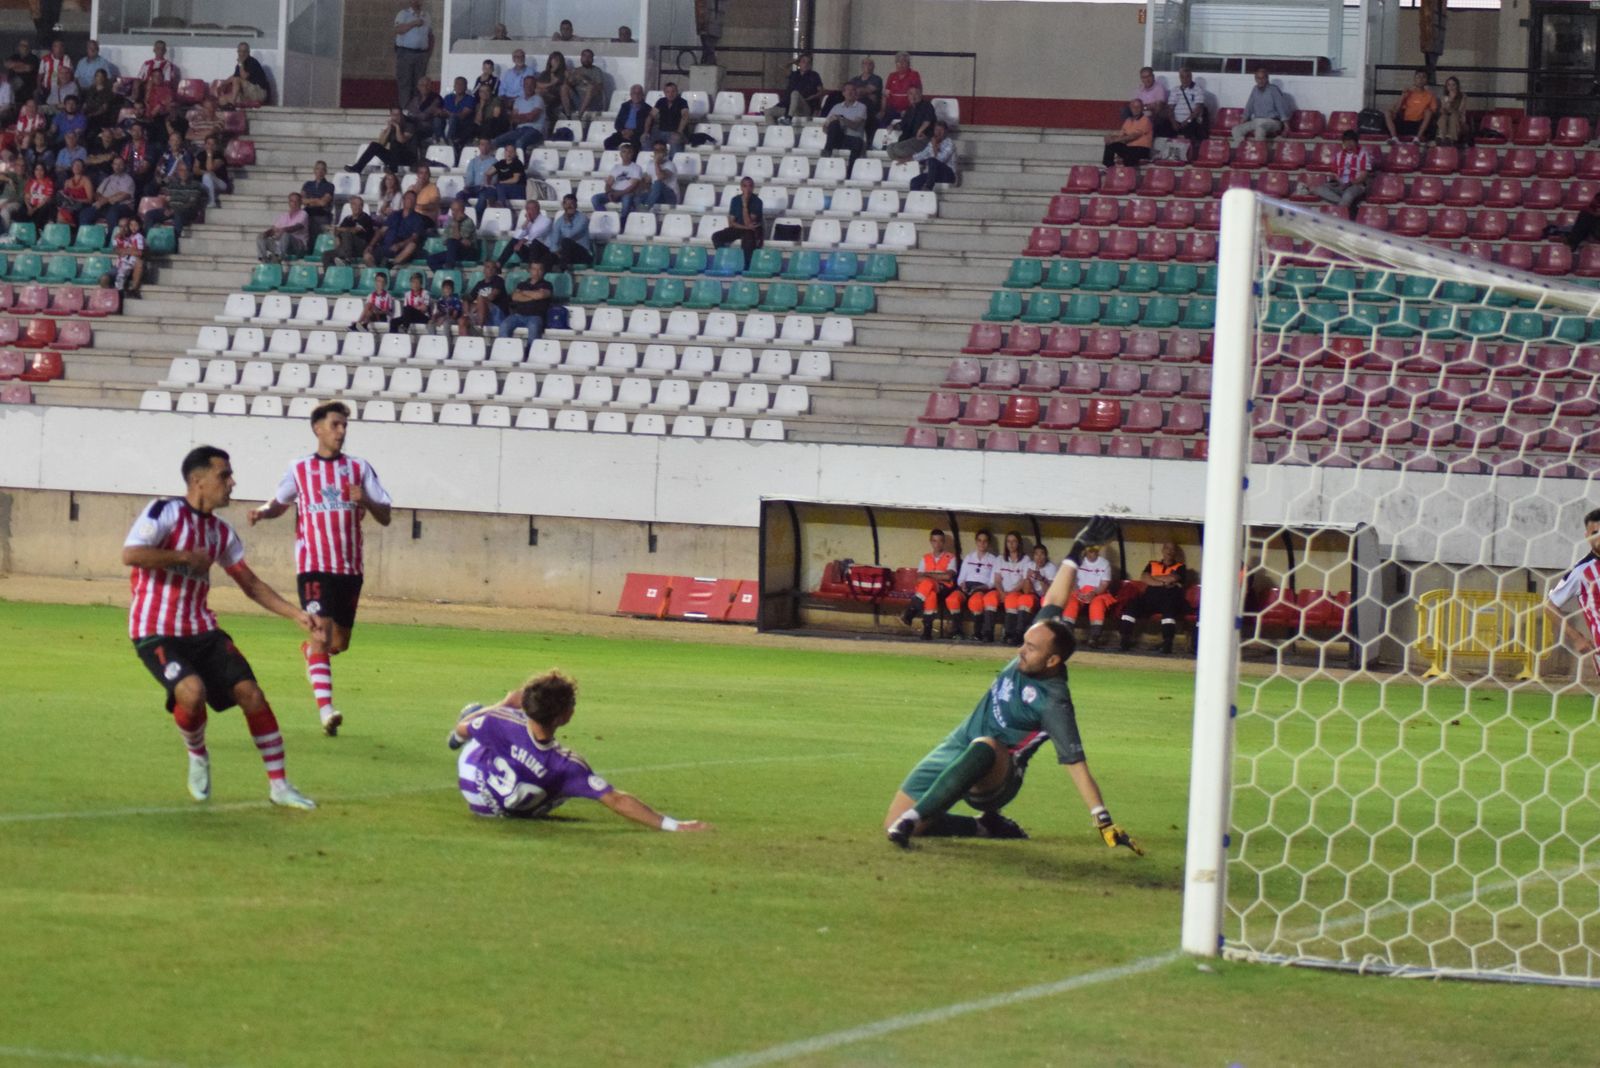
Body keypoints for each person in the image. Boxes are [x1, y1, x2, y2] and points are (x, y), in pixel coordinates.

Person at [884, 518, 1142, 851]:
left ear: (1052, 662)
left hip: (1000, 774)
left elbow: (1076, 765)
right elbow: (1056, 597)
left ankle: (913, 819)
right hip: (957, 741)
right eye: (1025, 641)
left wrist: (1102, 818)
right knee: (889, 821)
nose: (1022, 648)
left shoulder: (1054, 701)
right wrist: (1077, 549)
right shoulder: (1040, 639)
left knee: (986, 746)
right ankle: (984, 828)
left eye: (1031, 648)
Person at [124, 446, 318, 810]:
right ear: (198, 481)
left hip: (203, 629)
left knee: (252, 695)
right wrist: (183, 557)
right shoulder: (163, 512)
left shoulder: (221, 533)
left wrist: (296, 614)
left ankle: (279, 786)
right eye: (224, 475)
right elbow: (131, 554)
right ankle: (197, 753)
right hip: (155, 630)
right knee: (192, 694)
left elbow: (251, 584)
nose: (232, 482)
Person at [249, 404, 393, 737]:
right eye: (335, 425)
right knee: (321, 633)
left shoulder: (359, 468)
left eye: (344, 425)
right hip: (314, 565)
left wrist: (366, 502)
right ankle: (326, 710)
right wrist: (262, 511)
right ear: (318, 429)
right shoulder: (299, 469)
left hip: (349, 568)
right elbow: (279, 503)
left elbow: (385, 515)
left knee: (338, 643)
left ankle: (312, 653)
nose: (341, 431)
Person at [449, 670, 710, 831]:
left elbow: (461, 731)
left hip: (475, 791)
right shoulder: (568, 765)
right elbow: (616, 800)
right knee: (563, 788)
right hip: (517, 813)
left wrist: (503, 704)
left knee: (474, 718)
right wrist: (674, 826)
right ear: (565, 716)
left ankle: (482, 712)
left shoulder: (501, 721)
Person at [1543, 508, 1600, 678]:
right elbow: (1549, 606)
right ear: (1587, 536)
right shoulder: (1582, 571)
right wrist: (1576, 637)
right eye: (1595, 532)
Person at [1118, 541, 1193, 654]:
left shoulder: (1180, 567)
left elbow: (1172, 578)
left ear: (1175, 552)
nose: (1169, 551)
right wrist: (1162, 583)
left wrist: (1153, 577)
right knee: (1131, 606)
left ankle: (1167, 643)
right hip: (1150, 598)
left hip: (1169, 598)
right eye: (1167, 548)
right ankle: (1125, 640)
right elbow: (1144, 577)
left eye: (1172, 549)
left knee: (1169, 612)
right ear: (1162, 550)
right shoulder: (1152, 564)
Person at [899, 528, 959, 640]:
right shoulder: (925, 557)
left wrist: (928, 574)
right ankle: (927, 631)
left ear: (944, 542)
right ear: (931, 542)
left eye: (940, 540)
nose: (937, 544)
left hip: (944, 588)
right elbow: (919, 578)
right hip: (928, 589)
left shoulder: (951, 557)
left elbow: (948, 576)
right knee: (930, 594)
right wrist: (937, 576)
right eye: (935, 541)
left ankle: (910, 612)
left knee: (927, 583)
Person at [946, 529, 1000, 642]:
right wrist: (962, 584)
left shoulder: (993, 560)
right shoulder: (969, 557)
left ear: (988, 543)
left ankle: (977, 633)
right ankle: (957, 631)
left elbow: (992, 582)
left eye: (985, 541)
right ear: (976, 542)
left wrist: (982, 587)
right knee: (953, 599)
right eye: (979, 540)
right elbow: (961, 577)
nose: (982, 543)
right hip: (966, 586)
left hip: (982, 587)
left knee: (976, 601)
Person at [1062, 542, 1116, 648]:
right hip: (1079, 592)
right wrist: (1078, 592)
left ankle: (1094, 638)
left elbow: (1104, 583)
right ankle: (1067, 636)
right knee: (1070, 603)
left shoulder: (1104, 563)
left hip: (1097, 593)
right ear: (1086, 551)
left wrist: (1094, 593)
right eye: (1090, 551)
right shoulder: (1078, 561)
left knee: (1097, 605)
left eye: (1094, 552)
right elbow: (1072, 580)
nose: (1092, 554)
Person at [1313, 130, 1373, 219]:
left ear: (1356, 142)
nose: (1348, 144)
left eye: (1351, 142)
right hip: (1341, 184)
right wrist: (1338, 181)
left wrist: (1353, 182)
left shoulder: (1363, 154)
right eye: (1346, 142)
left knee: (1348, 195)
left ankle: (1337, 219)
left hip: (1356, 185)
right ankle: (1349, 206)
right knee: (1319, 189)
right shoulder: (1339, 155)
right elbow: (1335, 173)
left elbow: (1364, 174)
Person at [993, 531, 1036, 646]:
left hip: (1016, 591)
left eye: (1014, 541)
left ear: (1019, 543)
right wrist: (1002, 592)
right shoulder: (1000, 559)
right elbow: (997, 579)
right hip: (1002, 591)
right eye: (1008, 541)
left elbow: (1023, 580)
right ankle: (1003, 633)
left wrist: (1011, 592)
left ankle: (1015, 634)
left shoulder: (1025, 559)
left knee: (1012, 599)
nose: (1011, 544)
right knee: (989, 599)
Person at [366, 189, 429, 268]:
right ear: (403, 200)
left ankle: (391, 264)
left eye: (413, 199)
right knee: (367, 254)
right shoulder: (394, 215)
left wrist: (400, 245)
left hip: (402, 248)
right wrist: (371, 245)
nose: (410, 201)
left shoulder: (418, 219)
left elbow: (414, 237)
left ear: (415, 202)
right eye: (408, 198)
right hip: (387, 246)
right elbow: (381, 231)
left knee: (412, 245)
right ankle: (376, 272)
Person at [711, 176, 762, 269]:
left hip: (751, 231)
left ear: (753, 187)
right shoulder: (735, 200)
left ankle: (746, 266)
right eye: (745, 186)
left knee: (748, 239)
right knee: (716, 236)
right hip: (739, 228)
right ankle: (726, 259)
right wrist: (746, 227)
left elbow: (748, 223)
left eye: (750, 186)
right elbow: (731, 223)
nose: (748, 188)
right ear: (741, 187)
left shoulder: (757, 202)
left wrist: (745, 205)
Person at [346, 108, 418, 174]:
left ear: (402, 115)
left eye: (398, 115)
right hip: (394, 158)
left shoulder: (409, 125)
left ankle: (392, 170)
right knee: (374, 145)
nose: (396, 117)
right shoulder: (391, 127)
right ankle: (358, 168)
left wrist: (397, 127)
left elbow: (401, 140)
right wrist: (389, 129)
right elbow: (382, 143)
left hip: (408, 157)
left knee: (396, 143)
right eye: (393, 115)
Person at [1231, 67, 1290, 147]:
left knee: (1260, 129)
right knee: (1236, 130)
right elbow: (1249, 107)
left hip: (1273, 121)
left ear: (1267, 78)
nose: (1260, 80)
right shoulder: (1254, 89)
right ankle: (1243, 151)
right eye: (1258, 78)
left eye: (1263, 78)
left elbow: (1281, 108)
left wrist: (1286, 127)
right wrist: (1242, 122)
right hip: (1256, 120)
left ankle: (1259, 154)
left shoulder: (1273, 90)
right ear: (1255, 79)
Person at [497, 260, 554, 339]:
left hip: (536, 316)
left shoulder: (547, 285)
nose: (537, 272)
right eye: (534, 269)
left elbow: (540, 295)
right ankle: (504, 349)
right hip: (518, 315)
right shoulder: (522, 284)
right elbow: (515, 297)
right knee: (504, 325)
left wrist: (523, 293)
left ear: (543, 271)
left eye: (539, 269)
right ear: (530, 270)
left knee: (534, 327)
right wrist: (533, 295)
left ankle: (530, 350)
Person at [393, 0, 434, 109]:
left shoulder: (427, 16)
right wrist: (413, 23)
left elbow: (430, 35)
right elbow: (398, 30)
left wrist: (428, 53)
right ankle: (405, 110)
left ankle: (417, 110)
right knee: (405, 83)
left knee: (420, 84)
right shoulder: (403, 14)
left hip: (421, 54)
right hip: (406, 53)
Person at [493, 75, 547, 156]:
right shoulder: (518, 100)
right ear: (523, 85)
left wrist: (520, 117)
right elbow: (513, 119)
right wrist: (525, 117)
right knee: (497, 141)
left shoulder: (538, 99)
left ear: (534, 86)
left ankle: (520, 164)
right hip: (519, 129)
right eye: (526, 84)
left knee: (519, 142)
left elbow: (532, 117)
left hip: (535, 130)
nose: (528, 87)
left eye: (531, 84)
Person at [79, 154, 134, 229]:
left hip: (123, 206)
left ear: (124, 166)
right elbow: (98, 193)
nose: (117, 166)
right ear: (112, 165)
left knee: (112, 212)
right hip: (105, 205)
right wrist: (100, 200)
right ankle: (87, 237)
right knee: (85, 213)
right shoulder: (108, 178)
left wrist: (107, 200)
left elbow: (125, 195)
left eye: (120, 164)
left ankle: (110, 238)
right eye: (115, 164)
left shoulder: (128, 179)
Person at [767, 54, 825, 124]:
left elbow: (821, 92)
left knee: (795, 93)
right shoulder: (794, 74)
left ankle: (789, 119)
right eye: (803, 62)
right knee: (768, 112)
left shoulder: (814, 75)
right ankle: (775, 132)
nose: (806, 64)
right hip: (788, 107)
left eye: (808, 62)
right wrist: (793, 61)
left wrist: (812, 97)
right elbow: (782, 66)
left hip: (804, 107)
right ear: (799, 63)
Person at [591, 140, 643, 220]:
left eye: (629, 152)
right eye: (624, 152)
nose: (626, 154)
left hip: (627, 193)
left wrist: (618, 194)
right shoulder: (616, 167)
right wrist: (609, 193)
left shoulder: (636, 168)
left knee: (627, 200)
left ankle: (623, 222)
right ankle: (605, 217)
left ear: (632, 154)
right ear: (620, 154)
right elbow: (608, 183)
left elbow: (634, 186)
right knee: (595, 198)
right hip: (614, 192)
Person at [1161, 67, 1210, 150]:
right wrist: (1173, 122)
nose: (1185, 79)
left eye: (1187, 76)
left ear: (1191, 77)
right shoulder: (1175, 90)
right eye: (1182, 77)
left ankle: (1191, 153)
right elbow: (1170, 108)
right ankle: (1165, 152)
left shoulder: (1197, 90)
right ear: (1180, 78)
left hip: (1190, 119)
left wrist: (1187, 121)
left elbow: (1197, 110)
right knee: (1163, 127)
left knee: (1193, 129)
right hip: (1176, 120)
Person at [498, 201, 555, 269]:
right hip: (531, 252)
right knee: (514, 241)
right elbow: (516, 236)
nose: (530, 211)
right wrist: (527, 222)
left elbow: (535, 235)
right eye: (528, 209)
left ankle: (532, 268)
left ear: (538, 209)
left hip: (543, 252)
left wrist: (522, 241)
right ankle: (499, 264)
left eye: (533, 209)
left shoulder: (546, 221)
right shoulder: (529, 221)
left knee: (535, 243)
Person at [1386, 69, 1439, 142]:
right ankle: (1394, 138)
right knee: (1388, 112)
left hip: (1420, 125)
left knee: (1428, 111)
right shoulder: (1408, 93)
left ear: (1426, 80)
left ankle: (1417, 138)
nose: (1421, 79)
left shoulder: (1430, 95)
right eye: (1418, 77)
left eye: (1423, 77)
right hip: (1405, 123)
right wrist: (1402, 96)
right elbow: (1396, 110)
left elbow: (1434, 112)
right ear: (1414, 79)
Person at [821, 82, 868, 164]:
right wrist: (833, 128)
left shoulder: (861, 107)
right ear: (843, 93)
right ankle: (827, 151)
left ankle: (851, 172)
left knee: (857, 143)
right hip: (839, 138)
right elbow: (825, 127)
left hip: (854, 138)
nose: (850, 92)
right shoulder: (836, 107)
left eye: (852, 90)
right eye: (847, 90)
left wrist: (841, 118)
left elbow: (855, 126)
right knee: (834, 123)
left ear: (856, 93)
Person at [887, 84, 936, 161]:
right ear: (908, 95)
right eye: (911, 93)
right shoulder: (909, 110)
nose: (913, 96)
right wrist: (893, 126)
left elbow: (927, 121)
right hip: (910, 140)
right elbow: (902, 124)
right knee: (890, 148)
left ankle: (911, 159)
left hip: (922, 139)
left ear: (920, 94)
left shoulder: (927, 105)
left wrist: (920, 130)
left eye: (916, 93)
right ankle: (902, 163)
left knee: (897, 149)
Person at [256, 191, 309, 262]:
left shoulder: (303, 214)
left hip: (298, 246)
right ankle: (264, 259)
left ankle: (278, 257)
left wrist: (283, 230)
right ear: (289, 203)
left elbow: (297, 227)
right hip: (282, 244)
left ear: (300, 202)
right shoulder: (284, 216)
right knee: (260, 237)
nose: (294, 203)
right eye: (292, 201)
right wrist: (266, 233)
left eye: (297, 201)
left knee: (286, 234)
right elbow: (273, 230)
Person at [324, 195, 375, 266]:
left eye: (360, 205)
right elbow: (337, 232)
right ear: (351, 206)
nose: (357, 207)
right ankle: (328, 275)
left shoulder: (365, 217)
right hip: (347, 248)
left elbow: (355, 230)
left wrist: (338, 228)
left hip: (361, 247)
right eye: (355, 204)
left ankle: (347, 259)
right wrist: (336, 234)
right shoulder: (347, 219)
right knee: (327, 254)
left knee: (347, 233)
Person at [427, 196, 477, 269]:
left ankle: (449, 265)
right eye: (453, 210)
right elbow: (444, 240)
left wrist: (456, 223)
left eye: (457, 210)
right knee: (431, 259)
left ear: (463, 210)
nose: (454, 213)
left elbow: (458, 239)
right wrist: (453, 239)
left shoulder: (468, 222)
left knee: (452, 241)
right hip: (453, 252)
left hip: (468, 252)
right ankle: (445, 272)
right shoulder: (450, 221)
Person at [216, 42, 270, 108]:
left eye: (244, 52)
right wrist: (222, 83)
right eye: (240, 51)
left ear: (248, 52)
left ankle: (233, 103)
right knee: (222, 99)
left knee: (236, 79)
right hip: (247, 94)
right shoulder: (239, 65)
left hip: (258, 92)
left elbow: (244, 76)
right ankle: (230, 113)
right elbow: (234, 76)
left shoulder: (253, 62)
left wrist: (241, 64)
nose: (242, 54)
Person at [1102, 99, 1153, 168]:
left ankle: (1129, 172)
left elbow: (1133, 136)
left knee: (1129, 154)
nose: (1136, 109)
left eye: (1138, 107)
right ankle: (1109, 167)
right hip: (1129, 148)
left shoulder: (1145, 120)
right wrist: (1111, 137)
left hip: (1142, 149)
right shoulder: (1128, 120)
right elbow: (1122, 135)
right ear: (1130, 108)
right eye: (1134, 107)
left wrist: (1114, 140)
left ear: (1142, 108)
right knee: (1110, 145)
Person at [482, 142, 526, 220]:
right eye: (507, 151)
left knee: (499, 186)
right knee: (490, 189)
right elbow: (488, 173)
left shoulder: (517, 163)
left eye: (511, 151)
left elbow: (515, 179)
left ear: (515, 153)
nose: (509, 153)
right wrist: (488, 184)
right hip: (502, 189)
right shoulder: (501, 163)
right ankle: (489, 209)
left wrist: (501, 182)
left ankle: (501, 205)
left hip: (517, 189)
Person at [465, 258, 508, 335]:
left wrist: (478, 305)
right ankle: (464, 342)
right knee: (463, 317)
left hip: (498, 312)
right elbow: (469, 298)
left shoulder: (499, 281)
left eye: (493, 268)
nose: (490, 270)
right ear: (484, 270)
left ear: (496, 271)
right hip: (482, 311)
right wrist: (466, 304)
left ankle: (480, 328)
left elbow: (492, 297)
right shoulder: (479, 284)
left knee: (480, 298)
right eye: (488, 267)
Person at [550, 193, 593, 270]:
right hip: (566, 255)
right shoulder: (559, 221)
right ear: (563, 205)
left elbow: (569, 235)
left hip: (583, 255)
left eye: (572, 204)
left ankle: (562, 270)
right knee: (548, 256)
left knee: (566, 241)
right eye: (567, 204)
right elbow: (554, 241)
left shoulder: (583, 219)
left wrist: (567, 221)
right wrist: (556, 252)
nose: (569, 206)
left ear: (576, 205)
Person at [642, 81, 691, 150]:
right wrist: (646, 132)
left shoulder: (682, 102)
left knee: (675, 139)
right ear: (664, 93)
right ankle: (649, 159)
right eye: (668, 92)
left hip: (676, 131)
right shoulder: (661, 101)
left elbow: (685, 116)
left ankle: (673, 160)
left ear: (677, 92)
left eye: (673, 91)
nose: (670, 94)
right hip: (661, 131)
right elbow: (650, 116)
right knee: (645, 139)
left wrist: (679, 132)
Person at [909, 121, 956, 190]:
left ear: (946, 131)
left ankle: (928, 187)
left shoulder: (950, 143)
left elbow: (940, 159)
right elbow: (920, 155)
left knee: (932, 160)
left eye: (941, 130)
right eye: (936, 130)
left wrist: (934, 145)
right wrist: (905, 159)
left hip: (948, 175)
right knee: (915, 181)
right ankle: (917, 200)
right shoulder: (931, 143)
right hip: (934, 175)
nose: (938, 132)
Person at [605, 83, 650, 151]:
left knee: (636, 146)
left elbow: (645, 126)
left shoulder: (647, 108)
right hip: (623, 132)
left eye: (639, 93)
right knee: (608, 142)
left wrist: (632, 132)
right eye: (634, 93)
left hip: (637, 134)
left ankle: (632, 161)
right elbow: (618, 123)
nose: (636, 96)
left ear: (642, 95)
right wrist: (623, 131)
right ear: (631, 95)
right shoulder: (625, 106)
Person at [847, 58, 883, 139]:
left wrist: (858, 93)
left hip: (870, 108)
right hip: (855, 105)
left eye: (870, 64)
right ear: (861, 66)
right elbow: (849, 91)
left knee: (864, 101)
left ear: (873, 67)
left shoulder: (877, 79)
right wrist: (865, 93)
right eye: (865, 63)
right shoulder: (855, 79)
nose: (867, 66)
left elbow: (864, 91)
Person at [442, 75, 477, 157]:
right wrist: (447, 113)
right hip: (447, 122)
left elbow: (462, 115)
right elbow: (442, 112)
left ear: (466, 87)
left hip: (462, 125)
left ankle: (449, 141)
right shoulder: (448, 97)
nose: (459, 86)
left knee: (453, 118)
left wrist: (449, 113)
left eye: (461, 84)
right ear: (454, 86)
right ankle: (440, 139)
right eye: (457, 84)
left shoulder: (470, 99)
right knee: (437, 119)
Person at [882, 52, 922, 124]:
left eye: (904, 61)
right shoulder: (892, 76)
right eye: (898, 62)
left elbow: (917, 95)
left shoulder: (914, 75)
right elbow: (885, 95)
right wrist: (882, 111)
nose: (901, 64)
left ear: (908, 63)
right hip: (892, 110)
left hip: (908, 109)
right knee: (883, 122)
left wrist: (910, 110)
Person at [564, 50, 606, 118]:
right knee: (564, 87)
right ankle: (568, 115)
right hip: (578, 100)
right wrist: (569, 78)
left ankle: (579, 116)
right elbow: (569, 85)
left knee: (590, 87)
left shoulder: (597, 70)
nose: (586, 59)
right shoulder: (576, 70)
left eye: (589, 57)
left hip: (592, 102)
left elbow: (600, 87)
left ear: (592, 59)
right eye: (584, 56)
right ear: (581, 58)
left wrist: (584, 78)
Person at [300, 160, 335, 236]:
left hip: (321, 215)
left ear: (325, 172)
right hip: (308, 213)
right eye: (318, 168)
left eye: (322, 169)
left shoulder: (329, 186)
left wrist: (309, 201)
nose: (320, 171)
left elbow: (323, 203)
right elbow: (301, 200)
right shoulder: (307, 184)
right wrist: (317, 200)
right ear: (314, 170)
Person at [134, 40, 176, 105]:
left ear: (165, 51)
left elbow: (167, 81)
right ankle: (134, 101)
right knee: (136, 82)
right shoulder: (147, 63)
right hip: (145, 86)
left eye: (162, 49)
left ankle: (146, 103)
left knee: (152, 81)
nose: (160, 51)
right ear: (154, 50)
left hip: (160, 87)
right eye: (158, 48)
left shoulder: (168, 65)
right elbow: (140, 78)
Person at [639, 141, 678, 210]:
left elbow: (660, 177)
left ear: (666, 151)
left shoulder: (670, 164)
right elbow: (648, 182)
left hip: (670, 197)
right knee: (638, 196)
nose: (659, 152)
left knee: (658, 183)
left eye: (661, 150)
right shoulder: (650, 163)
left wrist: (656, 162)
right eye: (656, 150)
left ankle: (646, 208)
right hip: (657, 196)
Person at [112, 216, 145, 295]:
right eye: (131, 225)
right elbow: (116, 250)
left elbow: (140, 252)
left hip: (133, 262)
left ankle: (134, 290)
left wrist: (128, 251)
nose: (133, 227)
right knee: (120, 274)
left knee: (138, 263)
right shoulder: (120, 237)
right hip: (124, 262)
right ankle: (119, 291)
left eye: (135, 225)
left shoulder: (139, 237)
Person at [37, 39, 73, 108]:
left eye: (60, 47)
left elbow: (69, 74)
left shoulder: (66, 59)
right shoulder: (45, 59)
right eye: (56, 47)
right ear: (52, 48)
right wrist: (39, 88)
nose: (58, 49)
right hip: (46, 89)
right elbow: (40, 75)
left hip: (62, 89)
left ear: (63, 48)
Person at [197, 135, 230, 207]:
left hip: (221, 183)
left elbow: (210, 168)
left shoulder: (219, 156)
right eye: (208, 144)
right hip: (205, 182)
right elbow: (195, 170)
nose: (210, 146)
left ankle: (211, 201)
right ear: (205, 145)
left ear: (216, 146)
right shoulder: (200, 155)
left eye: (213, 144)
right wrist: (205, 172)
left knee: (207, 176)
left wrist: (209, 155)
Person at [1435, 75, 1467, 146]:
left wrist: (1451, 101)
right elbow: (1443, 111)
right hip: (1446, 119)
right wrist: (1449, 101)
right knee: (1443, 117)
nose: (1451, 87)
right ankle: (1442, 138)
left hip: (1459, 120)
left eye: (1453, 85)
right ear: (1446, 87)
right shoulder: (1444, 97)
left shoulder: (1463, 96)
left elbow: (1459, 111)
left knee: (1453, 116)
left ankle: (1451, 138)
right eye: (1449, 85)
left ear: (1457, 86)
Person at [21, 161, 52, 227]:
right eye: (37, 169)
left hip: (41, 207)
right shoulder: (31, 181)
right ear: (34, 171)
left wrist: (34, 209)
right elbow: (26, 196)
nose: (39, 172)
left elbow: (46, 199)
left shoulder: (48, 182)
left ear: (44, 171)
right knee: (22, 209)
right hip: (30, 206)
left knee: (45, 208)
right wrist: (29, 207)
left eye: (41, 170)